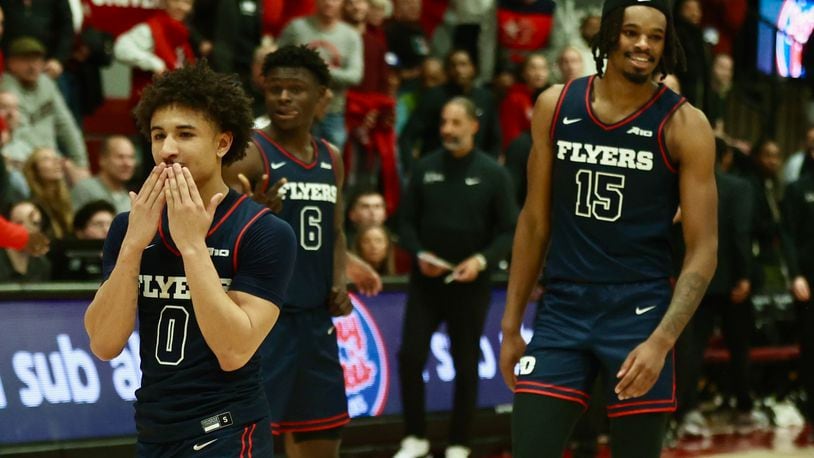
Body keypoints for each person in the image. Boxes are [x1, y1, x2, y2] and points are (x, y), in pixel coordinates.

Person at [499, 1, 718, 457]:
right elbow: (535, 221)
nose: (642, 45)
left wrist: (662, 340)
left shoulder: (686, 124)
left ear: (666, 46)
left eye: (655, 37)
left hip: (639, 314)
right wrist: (510, 325)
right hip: (564, 307)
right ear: (608, 35)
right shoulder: (555, 104)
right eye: (631, 32)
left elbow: (703, 250)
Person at [83, 62, 297, 457]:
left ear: (221, 143)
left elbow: (233, 352)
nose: (167, 150)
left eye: (185, 134)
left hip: (228, 432)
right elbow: (104, 343)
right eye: (158, 135)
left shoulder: (265, 232)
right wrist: (132, 248)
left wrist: (193, 247)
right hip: (153, 432)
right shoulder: (129, 228)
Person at [222, 44, 359, 458]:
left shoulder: (331, 158)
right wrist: (251, 216)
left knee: (322, 441)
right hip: (264, 324)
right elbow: (210, 237)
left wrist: (340, 280)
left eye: (295, 89)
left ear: (322, 98)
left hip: (315, 324)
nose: (283, 97)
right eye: (275, 88)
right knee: (250, 443)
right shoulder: (248, 155)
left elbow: (335, 232)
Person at [395, 96, 517, 458]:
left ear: (473, 126)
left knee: (466, 363)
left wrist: (481, 261)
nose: (447, 130)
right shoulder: (424, 168)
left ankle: (460, 443)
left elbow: (509, 230)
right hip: (427, 283)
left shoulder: (494, 174)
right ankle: (415, 437)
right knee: (410, 356)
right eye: (444, 122)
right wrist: (419, 254)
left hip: (471, 284)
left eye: (455, 123)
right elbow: (404, 223)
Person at [71, 135, 137, 214]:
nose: (127, 163)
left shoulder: (129, 199)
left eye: (131, 157)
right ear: (102, 159)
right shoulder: (85, 189)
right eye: (120, 157)